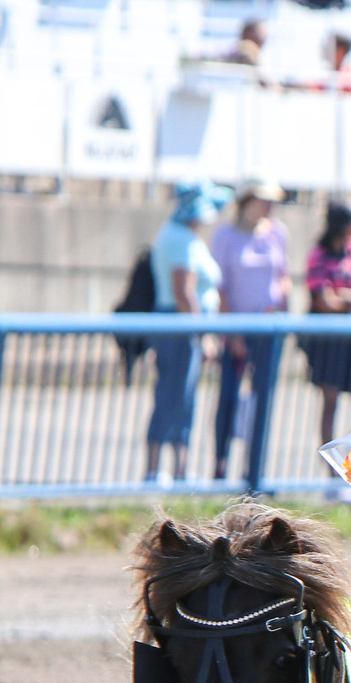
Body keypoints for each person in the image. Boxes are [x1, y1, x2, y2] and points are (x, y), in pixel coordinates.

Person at [144, 182, 231, 485]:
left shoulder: (180, 234)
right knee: (173, 396)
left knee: (182, 396)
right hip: (181, 327)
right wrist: (202, 334)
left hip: (181, 325)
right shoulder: (180, 238)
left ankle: (178, 468)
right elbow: (185, 293)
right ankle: (157, 470)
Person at [210, 176, 289, 482]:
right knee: (229, 398)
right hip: (237, 329)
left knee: (262, 400)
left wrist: (280, 303)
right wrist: (234, 335)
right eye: (263, 199)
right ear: (247, 201)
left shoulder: (278, 233)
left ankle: (254, 470)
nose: (269, 206)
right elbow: (222, 288)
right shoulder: (225, 236)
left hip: (268, 330)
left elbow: (283, 274)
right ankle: (220, 464)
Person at [301, 201, 351, 448]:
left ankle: (343, 453)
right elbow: (325, 302)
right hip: (329, 339)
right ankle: (330, 472)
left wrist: (343, 295)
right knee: (330, 401)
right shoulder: (319, 254)